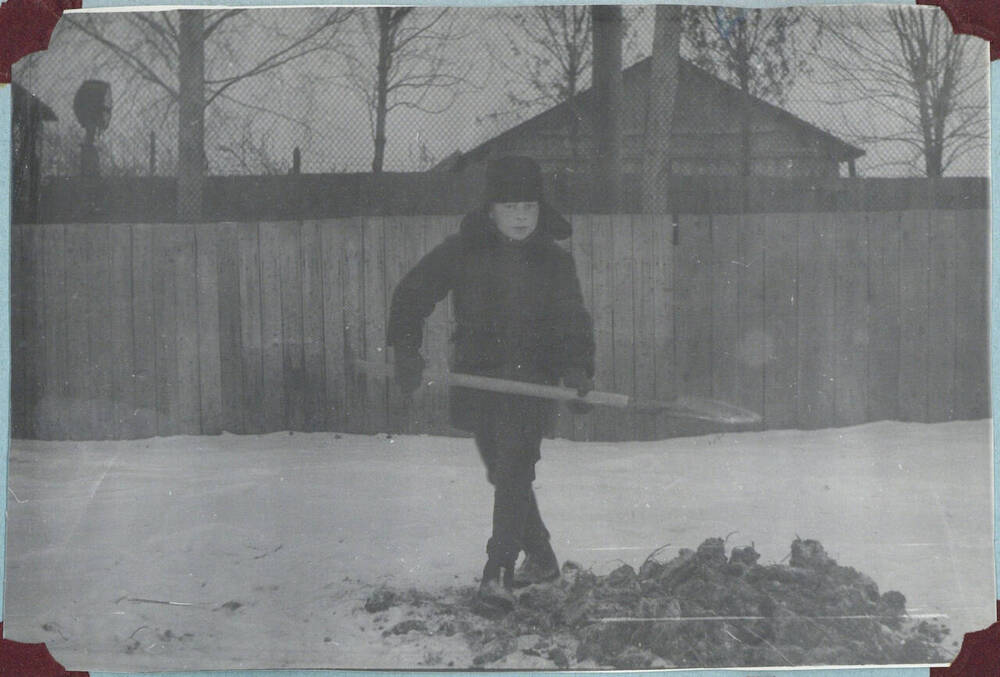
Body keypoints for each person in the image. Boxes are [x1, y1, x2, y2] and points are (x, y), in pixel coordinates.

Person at [386, 155, 595, 612]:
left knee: (516, 465)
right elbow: (413, 292)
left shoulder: (553, 262)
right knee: (504, 472)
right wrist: (406, 347)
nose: (521, 217)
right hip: (478, 379)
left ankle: (498, 572)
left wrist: (577, 367)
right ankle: (540, 558)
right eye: (510, 206)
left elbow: (572, 320)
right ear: (491, 210)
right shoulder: (462, 251)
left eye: (530, 207)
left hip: (532, 381)